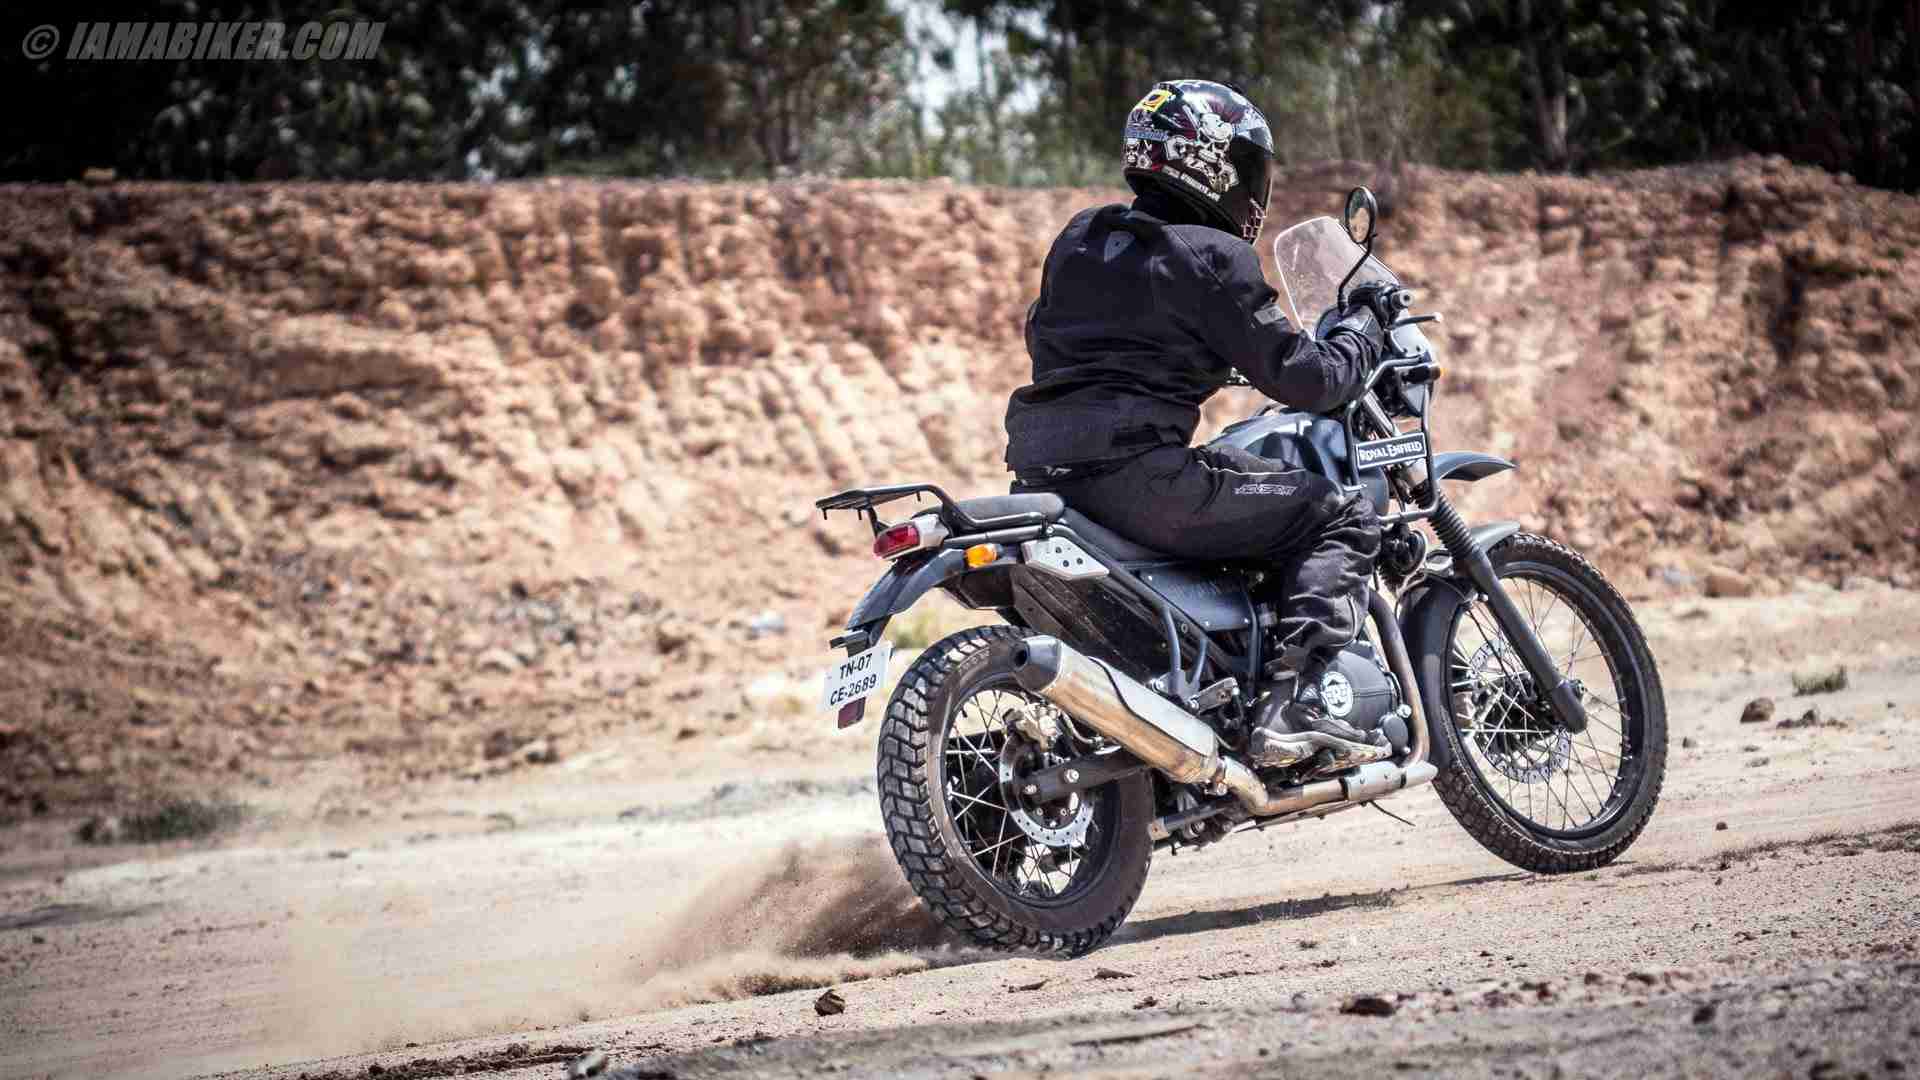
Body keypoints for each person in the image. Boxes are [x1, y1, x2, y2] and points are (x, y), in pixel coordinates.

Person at [1004, 79, 1389, 768]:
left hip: (1043, 475)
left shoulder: (1080, 238)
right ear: (1209, 163)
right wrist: (1363, 326)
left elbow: (1060, 338)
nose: (1252, 184)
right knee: (1340, 514)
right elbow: (1309, 379)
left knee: (1237, 471)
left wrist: (1192, 359)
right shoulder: (1213, 257)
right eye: (1245, 165)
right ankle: (1297, 702)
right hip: (1139, 481)